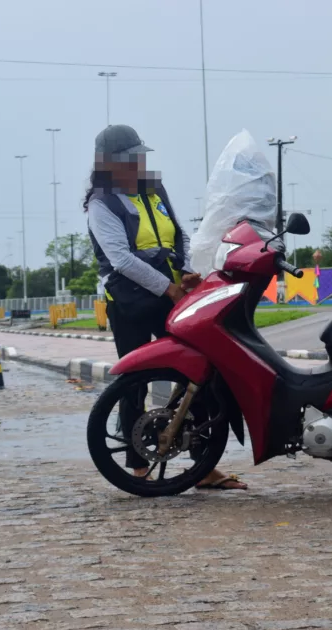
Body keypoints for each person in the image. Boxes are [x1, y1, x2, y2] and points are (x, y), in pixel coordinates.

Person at [85, 124, 247, 491]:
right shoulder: (102, 204)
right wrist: (169, 288)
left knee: (198, 376)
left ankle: (202, 465)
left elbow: (179, 233)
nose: (137, 164)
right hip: (131, 303)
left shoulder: (153, 189)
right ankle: (137, 465)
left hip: (172, 295)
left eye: (139, 157)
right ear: (108, 165)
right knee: (133, 385)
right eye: (129, 159)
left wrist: (187, 271)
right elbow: (121, 260)